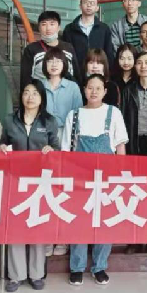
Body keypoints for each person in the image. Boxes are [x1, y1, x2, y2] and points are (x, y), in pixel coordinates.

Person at [62, 74, 128, 286]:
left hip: (107, 177)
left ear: (105, 91)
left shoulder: (113, 112)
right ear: (84, 90)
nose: (94, 92)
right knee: (79, 221)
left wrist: (120, 174)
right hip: (79, 178)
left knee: (104, 221)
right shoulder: (73, 115)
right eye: (90, 87)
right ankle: (77, 267)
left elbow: (120, 146)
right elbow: (66, 150)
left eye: (98, 88)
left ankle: (99, 267)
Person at [0, 82, 61, 292]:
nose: (30, 97)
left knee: (37, 226)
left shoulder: (49, 121)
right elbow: (1, 144)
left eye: (35, 93)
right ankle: (15, 276)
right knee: (15, 227)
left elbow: (57, 149)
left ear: (42, 98)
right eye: (26, 92)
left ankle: (36, 274)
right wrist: (1, 148)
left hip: (40, 181)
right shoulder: (10, 120)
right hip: (15, 181)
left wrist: (51, 150)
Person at [41, 46, 83, 257]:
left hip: (67, 140)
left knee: (65, 190)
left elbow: (78, 117)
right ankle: (48, 238)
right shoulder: (38, 85)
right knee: (46, 190)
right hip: (44, 141)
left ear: (65, 65)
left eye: (58, 61)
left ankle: (63, 239)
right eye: (50, 61)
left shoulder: (73, 87)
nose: (54, 64)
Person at [21, 11, 81, 88]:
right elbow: (25, 79)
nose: (48, 28)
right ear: (39, 28)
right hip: (41, 93)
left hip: (66, 93)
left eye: (52, 24)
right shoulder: (31, 49)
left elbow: (76, 75)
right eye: (44, 24)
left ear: (59, 27)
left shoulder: (68, 48)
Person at [62, 0, 115, 69]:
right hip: (76, 72)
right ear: (80, 6)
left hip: (98, 72)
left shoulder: (104, 28)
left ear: (97, 8)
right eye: (85, 2)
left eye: (92, 3)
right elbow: (66, 54)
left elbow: (109, 53)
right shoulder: (69, 29)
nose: (89, 5)